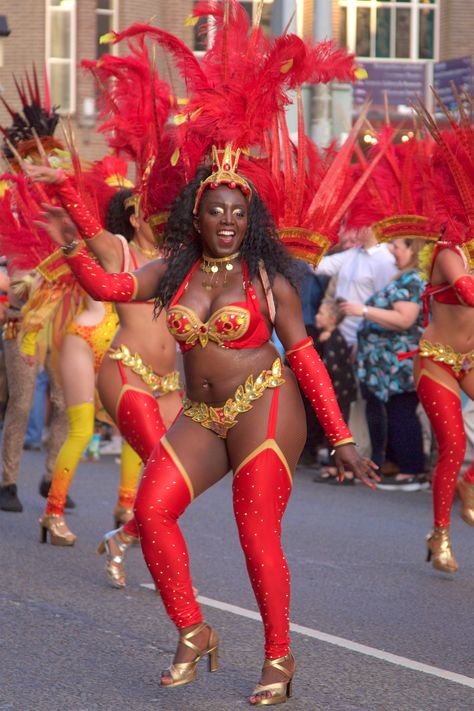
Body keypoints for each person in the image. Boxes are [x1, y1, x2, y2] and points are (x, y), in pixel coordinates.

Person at [38, 150, 379, 704]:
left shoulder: (269, 279)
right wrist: (69, 221)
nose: (227, 222)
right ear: (195, 218)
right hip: (200, 414)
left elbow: (304, 354)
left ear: (251, 221)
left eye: (238, 214)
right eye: (216, 211)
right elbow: (110, 287)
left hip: (265, 404)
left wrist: (340, 437)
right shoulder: (174, 270)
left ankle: (278, 656)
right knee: (150, 511)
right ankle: (195, 631)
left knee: (256, 533)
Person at [340, 238, 427, 491]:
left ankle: (410, 470)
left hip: (396, 363)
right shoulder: (403, 276)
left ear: (413, 250)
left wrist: (363, 311)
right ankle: (393, 465)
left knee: (401, 413)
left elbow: (404, 319)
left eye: (398, 246)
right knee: (388, 413)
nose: (392, 250)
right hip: (381, 364)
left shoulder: (412, 279)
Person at [310, 299, 358, 482]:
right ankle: (332, 466)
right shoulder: (328, 336)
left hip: (339, 394)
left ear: (331, 318)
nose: (316, 316)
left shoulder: (334, 339)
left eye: (321, 313)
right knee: (331, 432)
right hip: (336, 394)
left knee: (338, 432)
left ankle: (345, 470)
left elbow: (330, 368)